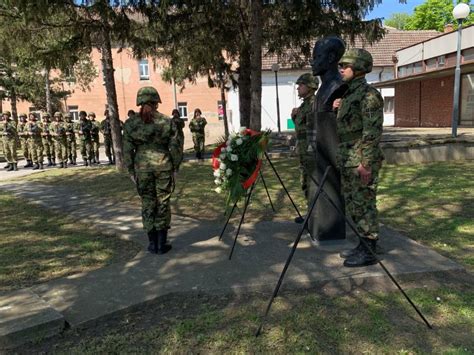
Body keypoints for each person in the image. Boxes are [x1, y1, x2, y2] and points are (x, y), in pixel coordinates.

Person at [334, 48, 384, 268]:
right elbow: (347, 125)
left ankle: (369, 249)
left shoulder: (369, 95)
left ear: (359, 68)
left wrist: (366, 163)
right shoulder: (348, 94)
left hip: (360, 159)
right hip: (348, 157)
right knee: (354, 204)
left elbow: (371, 132)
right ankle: (363, 244)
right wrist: (338, 107)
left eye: (345, 66)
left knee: (364, 203)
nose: (341, 69)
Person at [123, 87, 182, 255]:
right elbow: (175, 145)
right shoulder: (166, 121)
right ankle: (162, 244)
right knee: (163, 202)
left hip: (142, 168)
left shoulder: (130, 123)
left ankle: (152, 244)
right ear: (156, 101)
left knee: (148, 202)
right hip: (163, 165)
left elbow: (127, 149)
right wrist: (176, 166)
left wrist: (130, 170)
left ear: (139, 101)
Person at [306, 36, 347, 242]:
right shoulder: (322, 90)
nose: (312, 62)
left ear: (331, 57)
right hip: (318, 158)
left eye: (316, 57)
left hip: (331, 159)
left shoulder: (337, 87)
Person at [291, 73, 319, 203]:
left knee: (312, 182)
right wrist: (294, 116)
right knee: (305, 182)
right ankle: (311, 215)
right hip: (303, 150)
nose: (298, 88)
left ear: (310, 86)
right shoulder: (304, 105)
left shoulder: (315, 104)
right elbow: (300, 127)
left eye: (301, 85)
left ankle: (315, 216)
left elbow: (316, 128)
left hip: (310, 150)